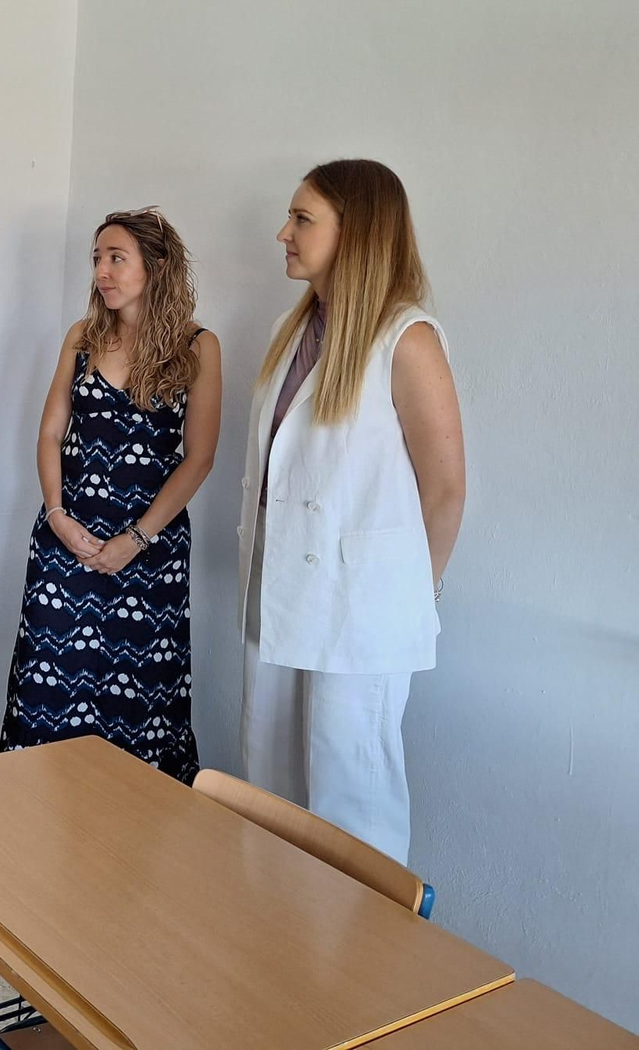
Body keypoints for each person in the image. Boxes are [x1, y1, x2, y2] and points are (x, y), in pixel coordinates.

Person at [239, 159, 465, 864]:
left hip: (362, 611)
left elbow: (446, 487)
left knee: (351, 798)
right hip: (280, 592)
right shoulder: (294, 329)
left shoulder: (407, 338)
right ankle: (280, 952)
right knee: (271, 788)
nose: (284, 232)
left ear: (356, 231)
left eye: (302, 218)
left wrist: (411, 596)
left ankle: (358, 965)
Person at [1, 208, 220, 783]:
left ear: (157, 266)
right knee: (46, 686)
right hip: (66, 540)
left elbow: (199, 458)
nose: (102, 270)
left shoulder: (198, 346)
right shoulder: (83, 336)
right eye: (97, 258)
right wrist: (56, 514)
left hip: (152, 554)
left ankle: (131, 851)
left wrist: (138, 538)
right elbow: (51, 432)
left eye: (116, 257)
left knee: (142, 700)